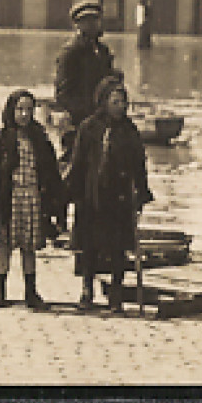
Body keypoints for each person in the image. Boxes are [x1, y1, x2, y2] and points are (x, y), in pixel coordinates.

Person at [64, 73, 153, 313]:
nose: (120, 107)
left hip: (119, 197)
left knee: (117, 248)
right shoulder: (89, 127)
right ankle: (86, 291)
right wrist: (69, 193)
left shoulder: (129, 131)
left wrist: (141, 194)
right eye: (115, 102)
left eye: (123, 103)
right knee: (89, 246)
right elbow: (79, 163)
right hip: (92, 196)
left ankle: (116, 294)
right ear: (103, 102)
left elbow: (139, 165)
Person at [0, 90, 64, 310]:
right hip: (8, 199)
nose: (24, 114)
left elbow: (51, 173)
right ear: (11, 110)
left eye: (28, 109)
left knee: (29, 247)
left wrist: (54, 202)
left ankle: (31, 292)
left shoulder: (40, 140)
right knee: (4, 246)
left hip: (32, 197)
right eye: (20, 109)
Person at [52, 0, 115, 155]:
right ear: (77, 25)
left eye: (95, 20)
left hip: (101, 120)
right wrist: (88, 114)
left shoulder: (103, 51)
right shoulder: (70, 52)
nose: (92, 25)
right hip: (78, 123)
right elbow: (63, 95)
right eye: (86, 21)